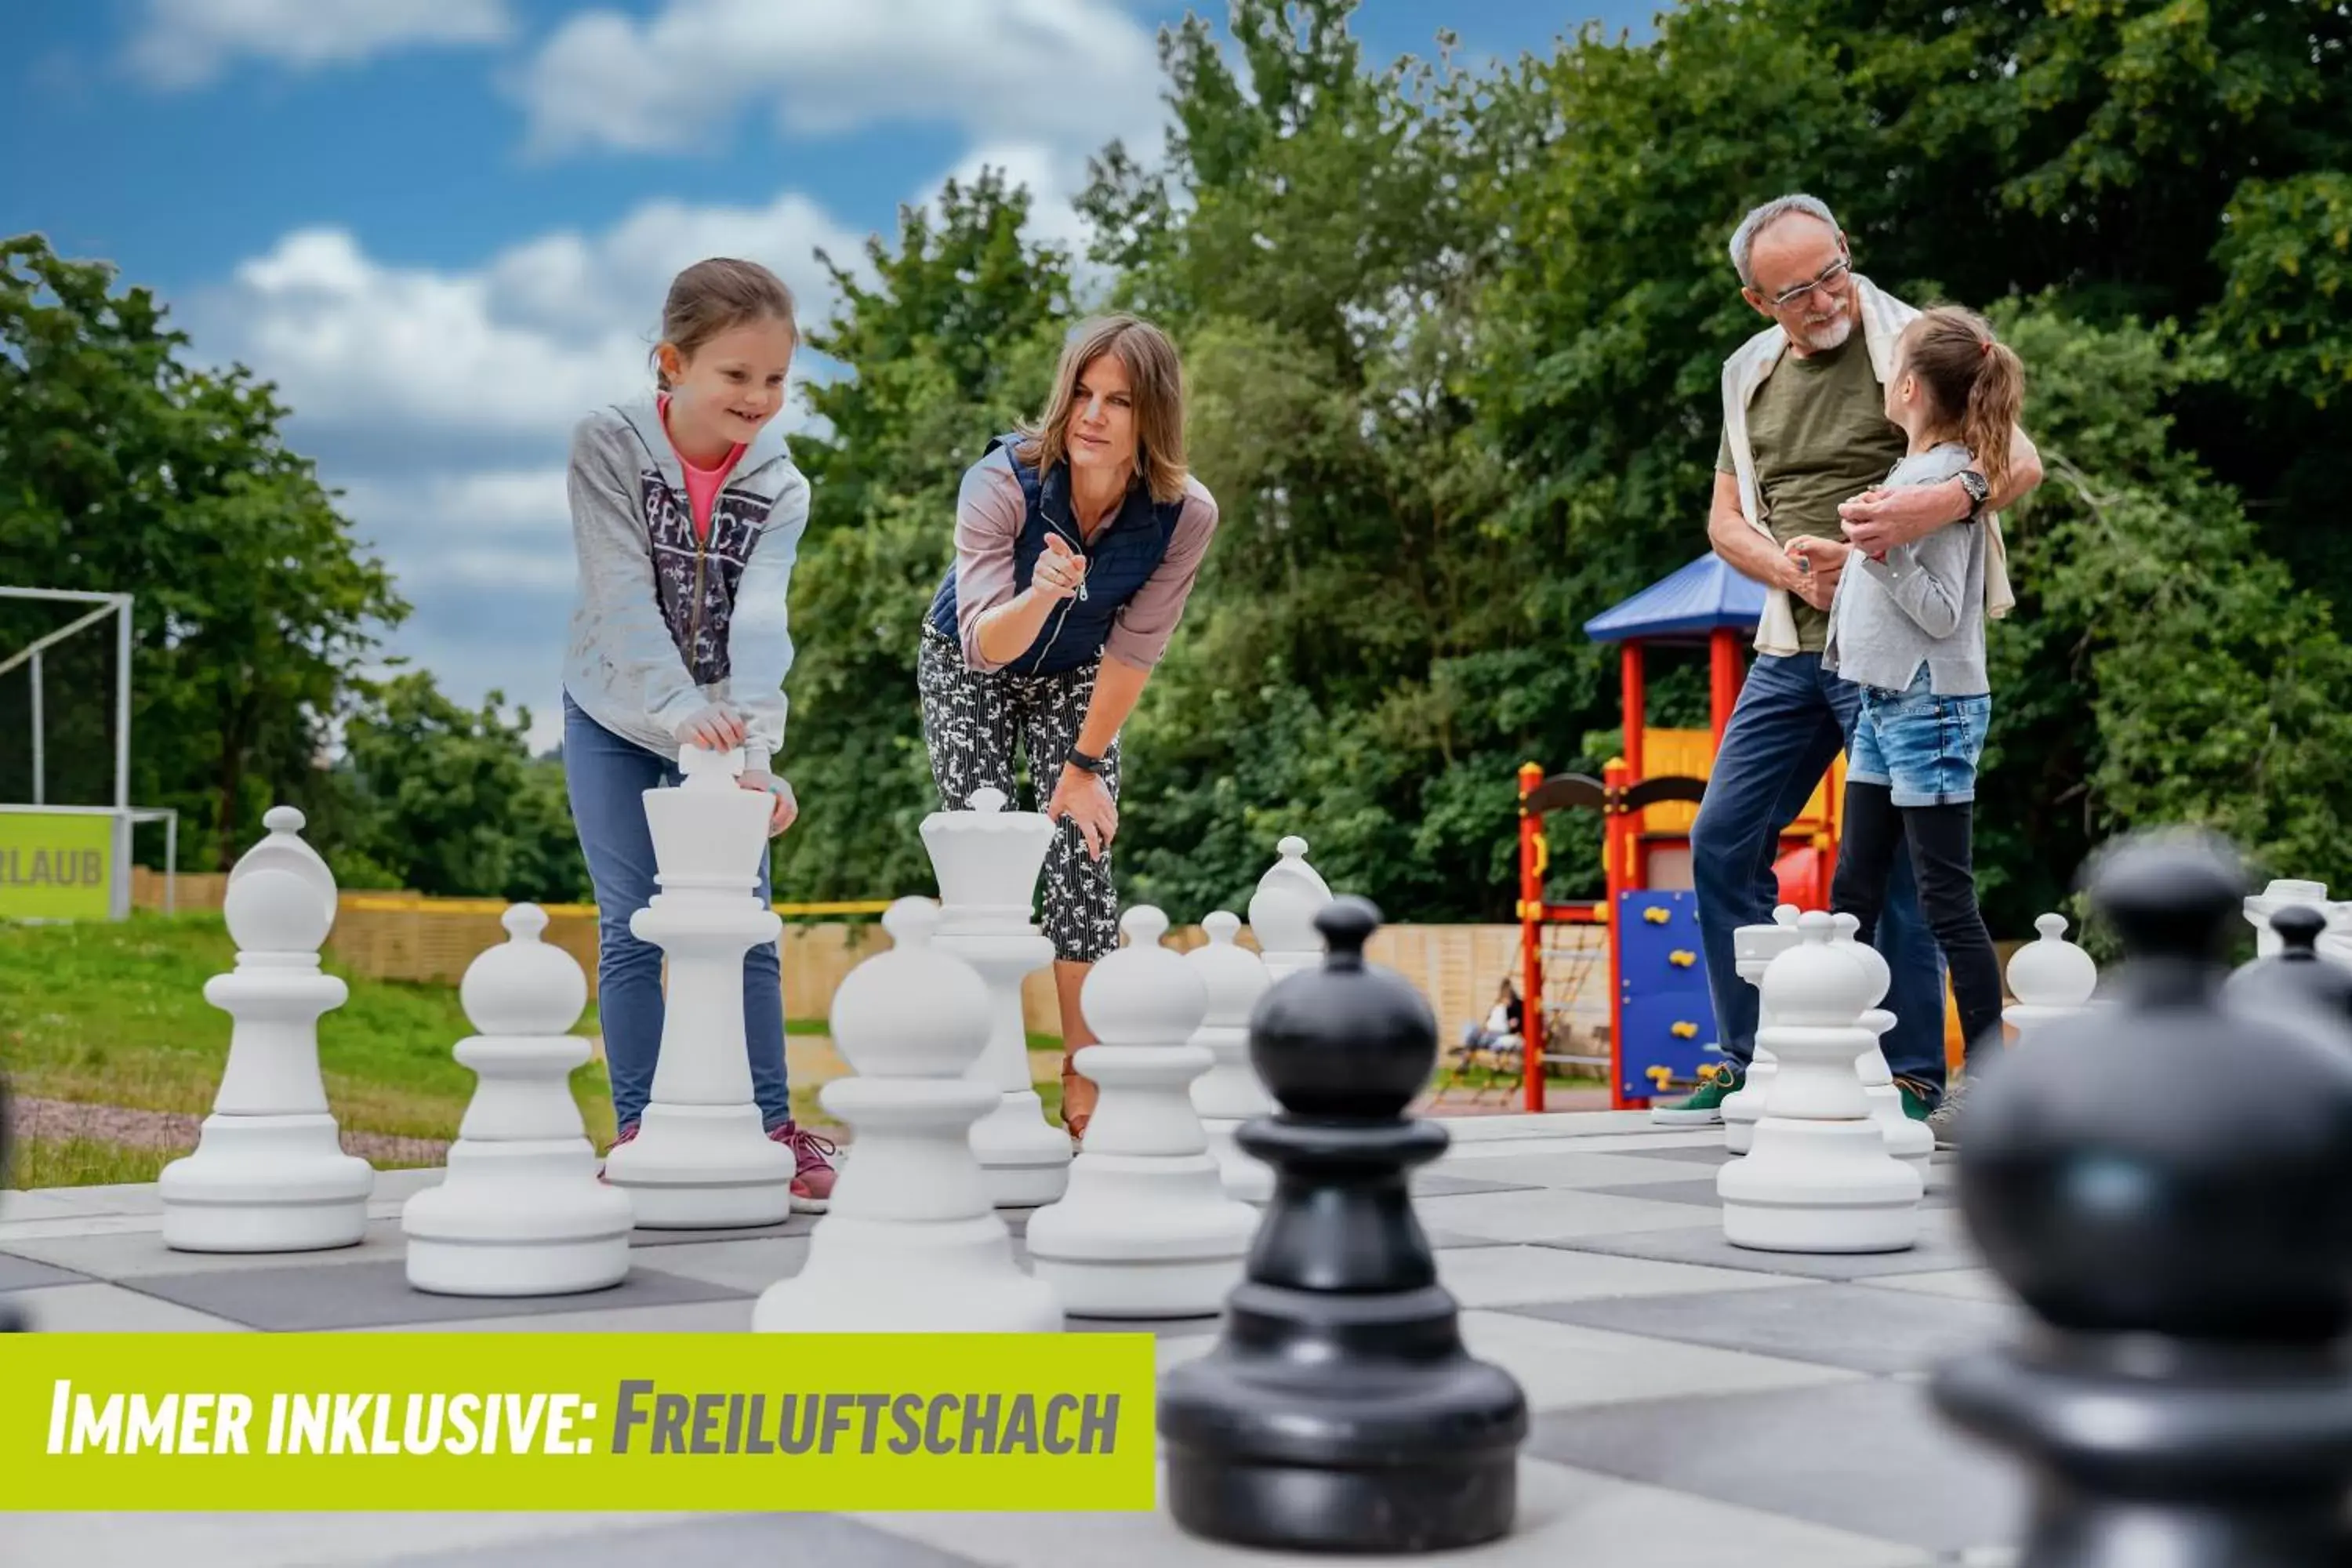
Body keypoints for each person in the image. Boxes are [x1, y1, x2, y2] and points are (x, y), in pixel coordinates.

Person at [1660, 194, 2044, 1142]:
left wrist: (1921, 515)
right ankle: (1750, 1059)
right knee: (1722, 837)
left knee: (1910, 872)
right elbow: (1722, 524)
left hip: (1899, 658)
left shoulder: (1914, 339)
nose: (1826, 296)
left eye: (1833, 271)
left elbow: (2017, 463)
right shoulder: (1745, 374)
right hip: (1795, 643)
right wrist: (1799, 569)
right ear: (1759, 302)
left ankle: (1914, 1076)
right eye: (1798, 289)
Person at [559, 256, 837, 1210]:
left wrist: (756, 756)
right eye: (735, 375)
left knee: (747, 924)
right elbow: (622, 591)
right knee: (634, 922)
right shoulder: (607, 444)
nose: (758, 397)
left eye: (774, 378)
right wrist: (677, 711)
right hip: (613, 709)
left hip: (718, 734)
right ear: (671, 364)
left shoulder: (782, 485)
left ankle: (771, 1126)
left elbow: (762, 622)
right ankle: (639, 1124)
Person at [917, 314, 1220, 1146]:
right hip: (970, 659)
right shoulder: (1002, 483)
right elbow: (983, 641)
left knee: (1080, 851)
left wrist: (1084, 764)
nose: (1092, 414)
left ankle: (1083, 1067)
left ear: (1150, 414)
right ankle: (979, 1066)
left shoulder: (1184, 514)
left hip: (1080, 676)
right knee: (987, 856)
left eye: (1118, 400)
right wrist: (1044, 592)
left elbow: (1137, 645)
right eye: (1082, 393)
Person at [1803, 306, 2024, 1145]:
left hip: (1932, 704)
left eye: (1893, 364)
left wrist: (1884, 551)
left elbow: (1938, 614)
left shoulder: (1949, 482)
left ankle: (1989, 1080)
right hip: (1880, 701)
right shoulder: (1913, 475)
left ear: (1908, 387)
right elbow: (1883, 591)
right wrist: (1848, 556)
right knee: (1854, 886)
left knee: (1943, 896)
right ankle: (1840, 1055)